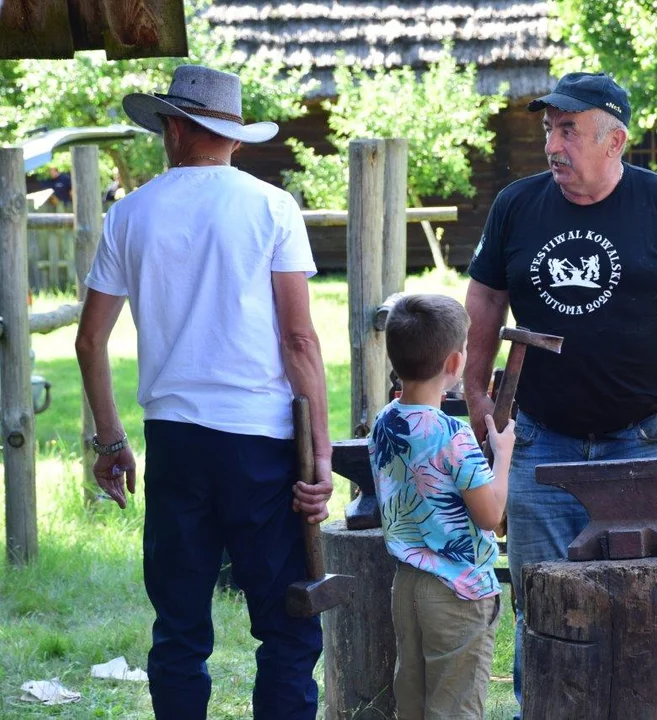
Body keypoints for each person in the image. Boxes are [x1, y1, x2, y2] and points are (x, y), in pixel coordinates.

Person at [464, 70, 657, 711]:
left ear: (614, 141)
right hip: (538, 445)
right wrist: (477, 393)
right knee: (543, 612)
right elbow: (484, 296)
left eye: (569, 132)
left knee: (650, 605)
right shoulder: (516, 205)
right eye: (550, 131)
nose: (554, 146)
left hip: (644, 441)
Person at [74, 65, 332, 720]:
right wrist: (322, 456)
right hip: (260, 447)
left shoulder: (129, 214)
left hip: (175, 444)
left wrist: (109, 441)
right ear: (232, 136)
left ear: (176, 127)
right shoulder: (272, 207)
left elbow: (88, 341)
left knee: (181, 631)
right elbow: (299, 342)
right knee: (287, 626)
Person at [369, 294, 516, 719]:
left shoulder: (385, 422)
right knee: (454, 709)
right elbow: (490, 516)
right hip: (458, 592)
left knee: (412, 705)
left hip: (409, 586)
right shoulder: (453, 435)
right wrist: (502, 457)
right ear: (455, 363)